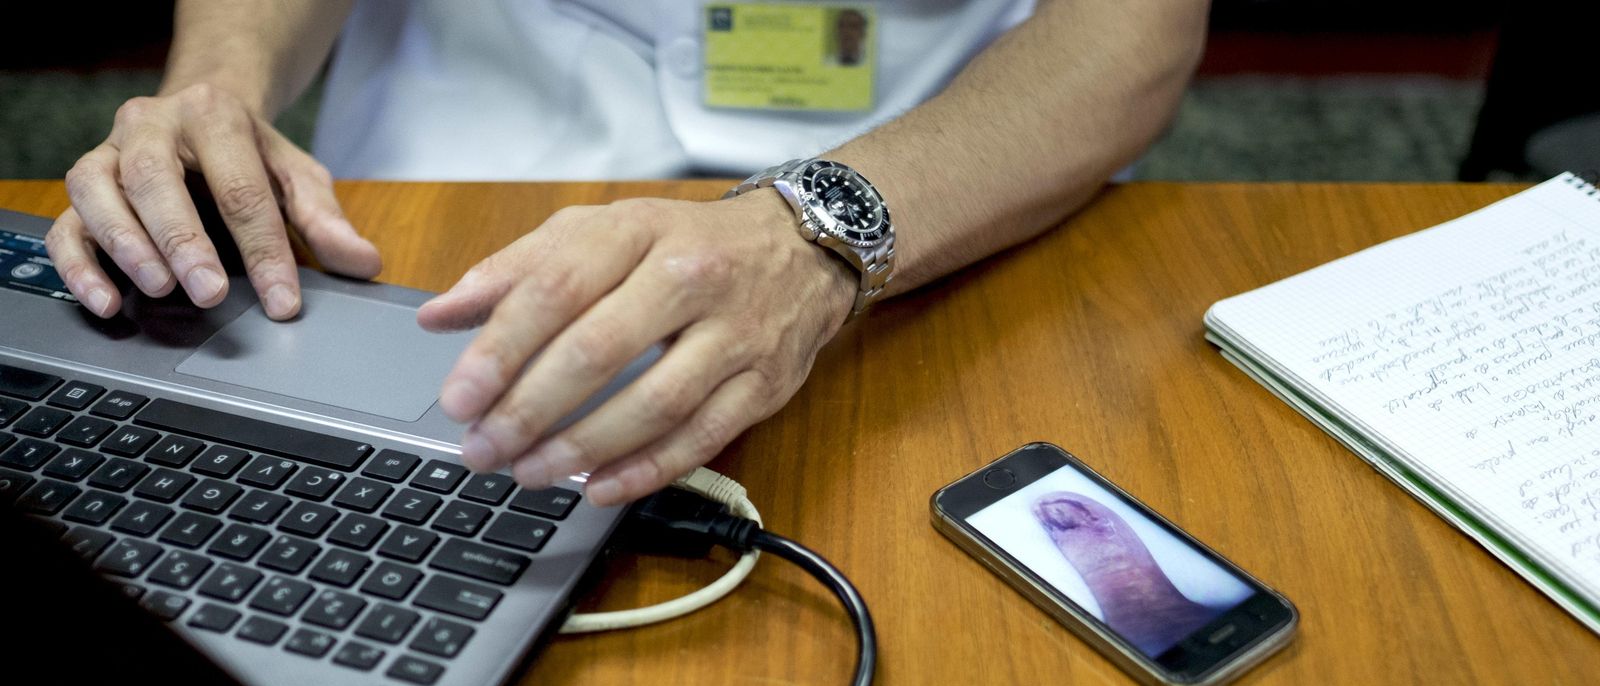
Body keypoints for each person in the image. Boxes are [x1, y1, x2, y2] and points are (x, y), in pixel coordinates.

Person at [45, 0, 1206, 507]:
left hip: (944, 162)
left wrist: (820, 235)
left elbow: (1126, 32)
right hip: (461, 147)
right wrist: (219, 81)